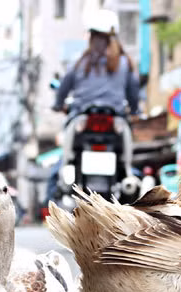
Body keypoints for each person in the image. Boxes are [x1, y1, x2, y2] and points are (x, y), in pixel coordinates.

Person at [49, 9, 140, 203]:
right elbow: (134, 93)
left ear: (90, 36)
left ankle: (63, 181)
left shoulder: (78, 61)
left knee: (65, 160)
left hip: (80, 120)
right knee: (127, 162)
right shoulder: (125, 62)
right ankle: (128, 178)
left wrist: (58, 105)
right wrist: (135, 110)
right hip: (116, 122)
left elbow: (64, 87)